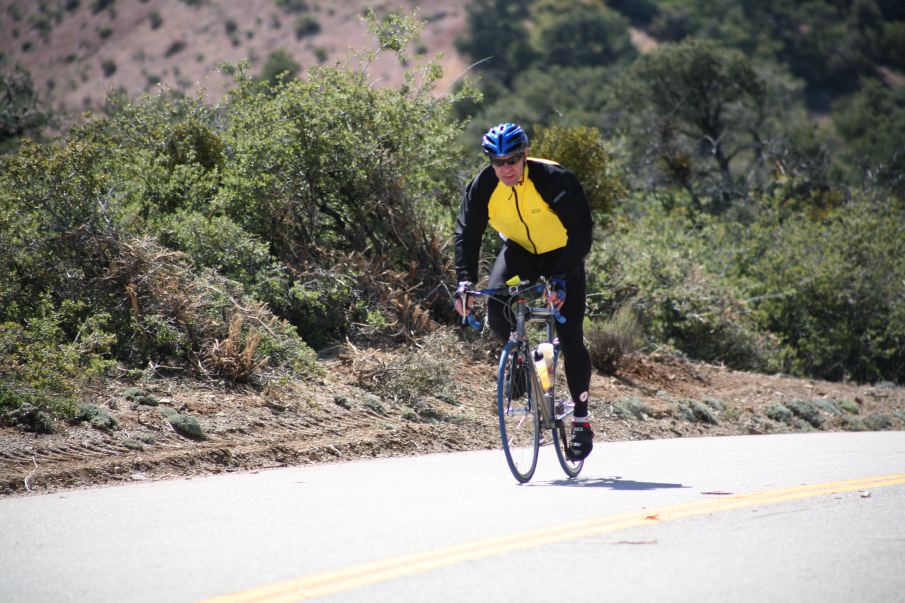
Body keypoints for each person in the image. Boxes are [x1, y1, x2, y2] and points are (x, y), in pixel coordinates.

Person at [453, 122, 595, 461]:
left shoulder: (553, 178)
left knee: (571, 335)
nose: (506, 168)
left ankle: (581, 421)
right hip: (521, 253)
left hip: (563, 254)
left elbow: (582, 232)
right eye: (498, 161)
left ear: (525, 155)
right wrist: (464, 283)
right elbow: (466, 235)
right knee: (496, 303)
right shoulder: (484, 186)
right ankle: (519, 362)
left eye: (512, 160)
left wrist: (561, 277)